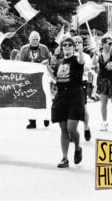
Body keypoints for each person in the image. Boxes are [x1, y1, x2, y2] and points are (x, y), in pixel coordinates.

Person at [44, 37, 84, 168]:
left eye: (69, 45)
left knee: (71, 128)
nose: (67, 46)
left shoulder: (77, 59)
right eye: (64, 45)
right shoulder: (60, 62)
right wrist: (47, 68)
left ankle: (77, 148)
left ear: (73, 47)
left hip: (75, 96)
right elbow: (56, 78)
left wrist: (81, 51)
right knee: (63, 129)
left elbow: (81, 62)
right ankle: (65, 158)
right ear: (62, 47)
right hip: (61, 96)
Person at [18, 31, 51, 129]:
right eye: (33, 40)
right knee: (30, 98)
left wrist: (47, 63)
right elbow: (20, 63)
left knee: (44, 97)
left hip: (42, 77)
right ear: (29, 40)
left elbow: (50, 60)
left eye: (37, 40)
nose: (35, 41)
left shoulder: (44, 48)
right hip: (29, 77)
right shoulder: (23, 49)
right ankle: (32, 121)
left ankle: (46, 117)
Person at [73, 36, 91, 141]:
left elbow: (87, 67)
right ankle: (72, 131)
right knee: (70, 110)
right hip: (69, 84)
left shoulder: (85, 56)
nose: (78, 44)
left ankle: (86, 128)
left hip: (81, 83)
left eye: (80, 42)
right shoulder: (68, 55)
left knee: (83, 110)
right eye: (76, 42)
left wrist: (76, 68)